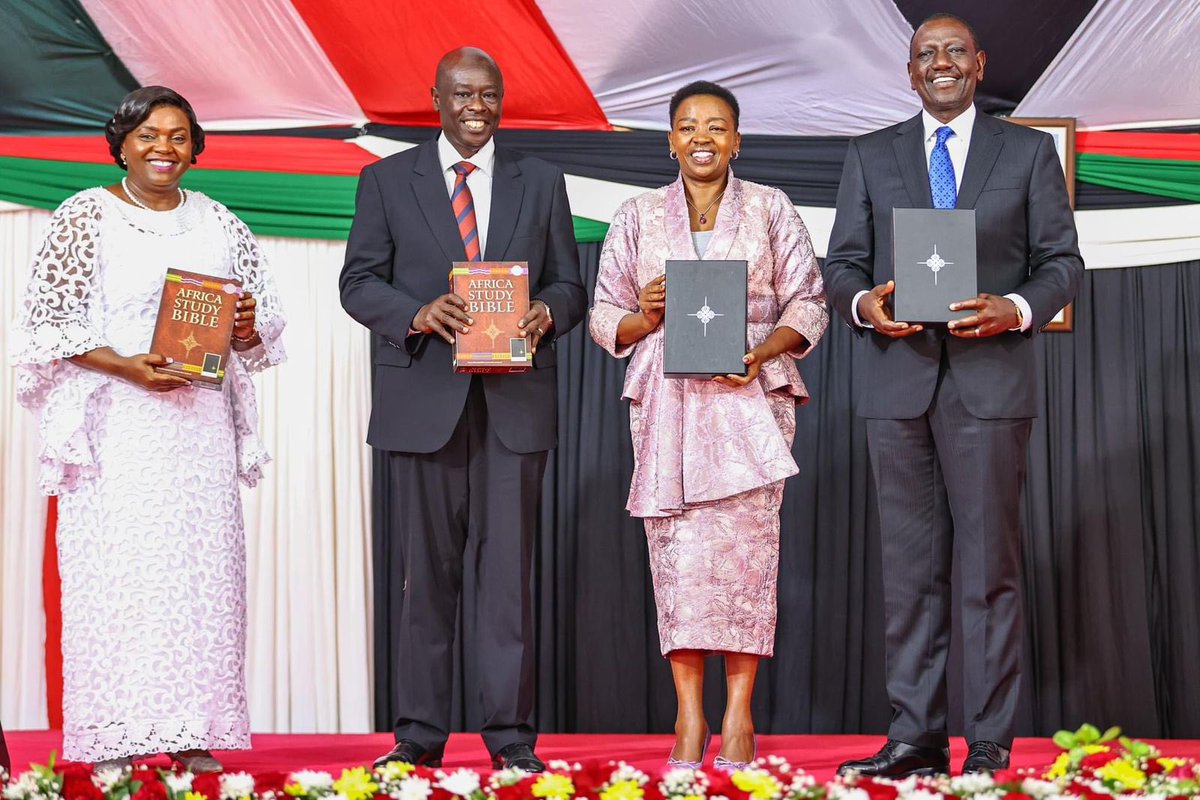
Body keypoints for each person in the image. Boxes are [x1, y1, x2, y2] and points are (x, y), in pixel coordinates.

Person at [823, 14, 1083, 777]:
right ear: (910, 73)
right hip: (896, 388)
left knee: (988, 572)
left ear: (978, 65)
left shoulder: (1027, 152)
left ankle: (990, 741)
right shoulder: (870, 155)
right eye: (925, 54)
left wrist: (1019, 308)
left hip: (990, 387)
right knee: (908, 576)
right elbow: (843, 264)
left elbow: (1062, 262)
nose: (940, 62)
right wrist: (866, 305)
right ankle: (915, 737)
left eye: (953, 52)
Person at [11, 86, 286, 773]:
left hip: (198, 432)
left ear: (195, 148)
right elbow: (49, 327)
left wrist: (248, 325)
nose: (164, 147)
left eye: (178, 135)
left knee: (199, 584)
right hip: (119, 428)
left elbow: (264, 321)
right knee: (121, 582)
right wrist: (127, 368)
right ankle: (117, 736)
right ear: (122, 142)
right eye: (149, 134)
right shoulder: (85, 215)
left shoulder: (219, 221)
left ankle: (192, 733)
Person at [339, 47, 585, 773]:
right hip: (424, 403)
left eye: (488, 94)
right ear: (437, 98)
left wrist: (546, 310)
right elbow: (357, 282)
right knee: (426, 580)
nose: (476, 107)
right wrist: (416, 312)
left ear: (501, 99)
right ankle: (418, 734)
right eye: (462, 94)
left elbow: (571, 283)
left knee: (509, 579)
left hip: (515, 402)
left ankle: (511, 738)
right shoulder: (386, 180)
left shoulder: (540, 181)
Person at [589, 81, 828, 771]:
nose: (702, 137)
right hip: (670, 409)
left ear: (737, 140)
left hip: (749, 403)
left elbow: (808, 301)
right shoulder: (636, 216)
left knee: (747, 564)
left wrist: (761, 353)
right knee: (680, 564)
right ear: (669, 139)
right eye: (688, 125)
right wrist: (646, 314)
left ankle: (740, 714)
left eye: (717, 126)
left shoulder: (771, 208)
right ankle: (689, 717)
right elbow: (607, 317)